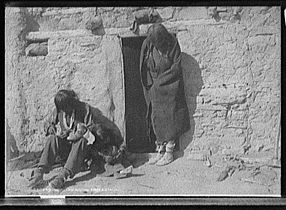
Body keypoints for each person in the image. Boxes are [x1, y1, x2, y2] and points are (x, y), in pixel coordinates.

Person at [28, 89, 126, 189]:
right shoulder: (59, 111)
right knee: (53, 139)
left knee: (82, 140)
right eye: (62, 109)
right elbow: (49, 124)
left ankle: (62, 176)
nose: (65, 111)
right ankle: (39, 172)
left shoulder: (84, 109)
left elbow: (91, 130)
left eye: (67, 107)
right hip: (68, 150)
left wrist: (77, 133)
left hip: (82, 152)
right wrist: (51, 128)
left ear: (71, 102)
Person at [139, 23, 190, 166]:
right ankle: (159, 151)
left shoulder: (172, 44)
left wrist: (162, 82)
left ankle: (169, 152)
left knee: (171, 117)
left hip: (169, 86)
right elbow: (143, 65)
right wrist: (151, 84)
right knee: (156, 118)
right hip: (155, 89)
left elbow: (176, 67)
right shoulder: (148, 43)